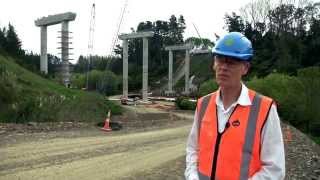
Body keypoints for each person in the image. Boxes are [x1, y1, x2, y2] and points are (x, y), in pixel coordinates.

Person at [185, 32, 285, 180]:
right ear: (214, 63)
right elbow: (193, 149)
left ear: (245, 68)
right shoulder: (203, 104)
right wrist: (192, 176)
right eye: (219, 59)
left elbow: (275, 169)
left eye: (231, 62)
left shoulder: (265, 108)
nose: (223, 67)